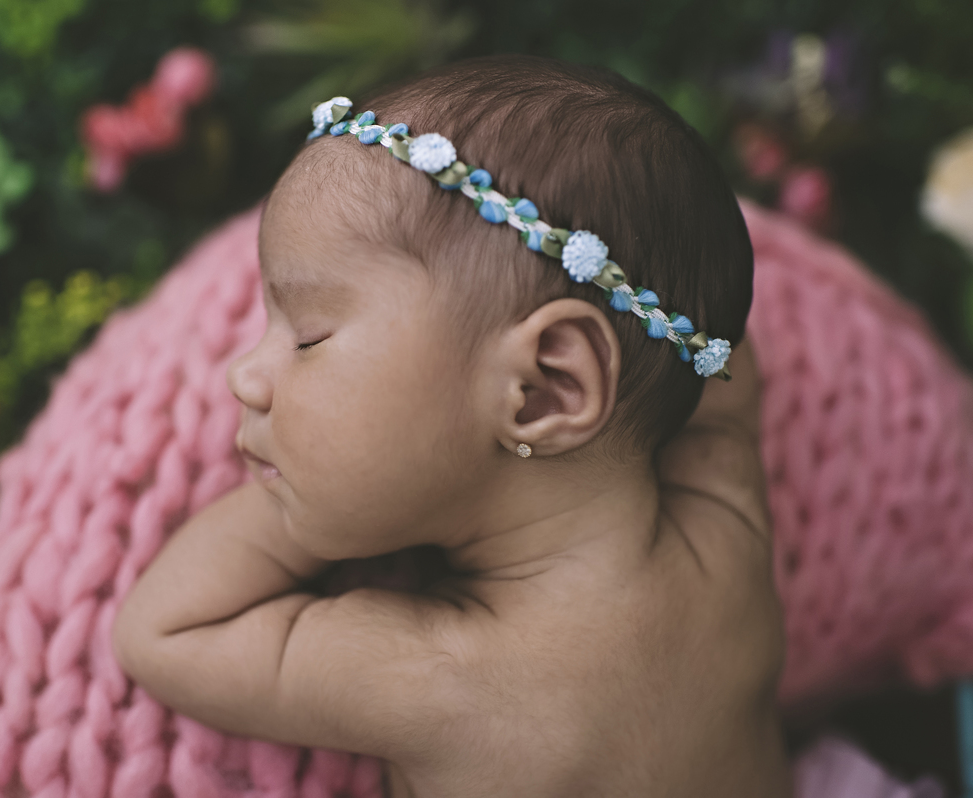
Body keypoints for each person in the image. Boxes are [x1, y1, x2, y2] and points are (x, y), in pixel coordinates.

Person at [112, 54, 791, 797]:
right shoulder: (729, 545)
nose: (245, 375)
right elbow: (723, 367)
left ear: (541, 388)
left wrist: (298, 481)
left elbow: (167, 634)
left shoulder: (435, 681)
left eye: (309, 337)